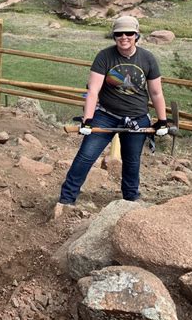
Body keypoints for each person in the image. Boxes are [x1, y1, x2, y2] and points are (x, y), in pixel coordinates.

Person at [56, 16, 168, 213]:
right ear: (114, 36)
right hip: (106, 115)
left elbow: (156, 92)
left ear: (136, 35)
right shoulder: (104, 56)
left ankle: (130, 202)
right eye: (119, 34)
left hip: (137, 119)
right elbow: (93, 90)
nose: (124, 37)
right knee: (86, 156)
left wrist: (162, 121)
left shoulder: (148, 58)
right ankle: (66, 200)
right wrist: (88, 119)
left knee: (132, 162)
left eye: (129, 33)